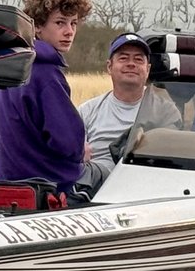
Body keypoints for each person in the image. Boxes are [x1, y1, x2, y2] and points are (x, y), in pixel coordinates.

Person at [0, 0, 91, 194]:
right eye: (60, 23)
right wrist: (80, 152)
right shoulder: (47, 75)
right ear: (37, 26)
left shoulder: (8, 69)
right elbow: (68, 141)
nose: (69, 32)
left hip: (0, 185)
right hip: (46, 186)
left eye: (73, 24)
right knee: (104, 172)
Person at [76, 32, 181, 185]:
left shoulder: (166, 111)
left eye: (138, 59)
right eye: (123, 58)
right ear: (109, 67)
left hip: (143, 181)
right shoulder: (87, 110)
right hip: (94, 183)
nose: (131, 64)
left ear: (148, 69)